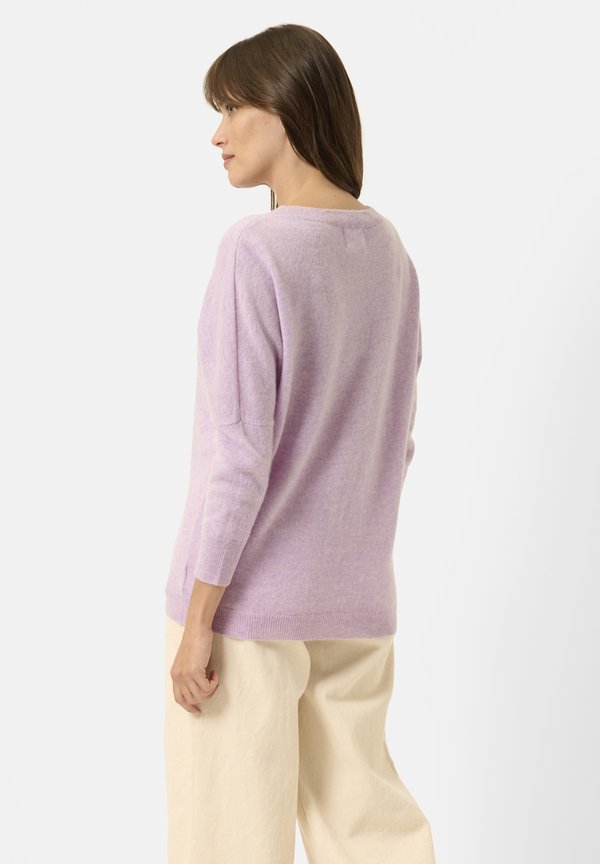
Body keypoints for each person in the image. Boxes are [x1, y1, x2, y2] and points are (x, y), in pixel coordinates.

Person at [163, 22, 437, 864]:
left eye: (232, 109)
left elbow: (239, 457)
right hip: (356, 606)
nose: (217, 134)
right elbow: (394, 442)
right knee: (372, 838)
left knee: (228, 845)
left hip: (247, 614)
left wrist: (200, 620)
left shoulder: (257, 251)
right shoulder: (389, 254)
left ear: (284, 109)